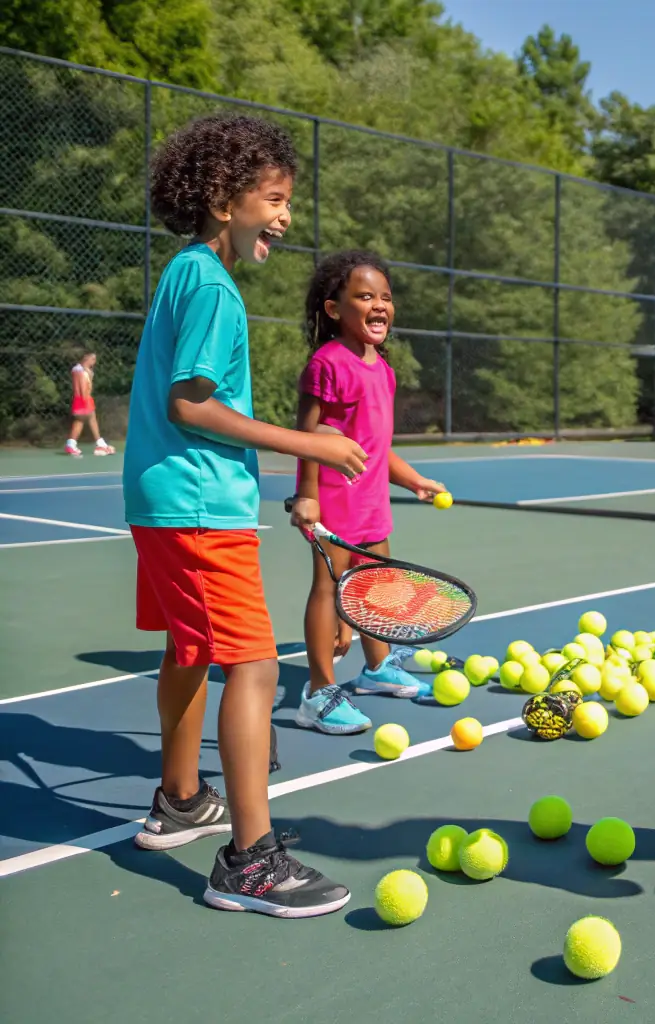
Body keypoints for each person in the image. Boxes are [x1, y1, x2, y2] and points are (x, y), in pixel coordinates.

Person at [123, 112, 367, 918]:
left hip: (164, 501)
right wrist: (310, 445)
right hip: (197, 505)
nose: (286, 215)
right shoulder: (214, 288)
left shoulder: (184, 272)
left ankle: (183, 799)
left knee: (189, 650)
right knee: (255, 667)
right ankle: (249, 862)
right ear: (225, 200)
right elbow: (192, 404)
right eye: (274, 197)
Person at [289, 250, 448, 735]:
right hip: (334, 502)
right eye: (365, 296)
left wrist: (413, 478)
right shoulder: (327, 363)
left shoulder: (383, 368)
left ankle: (376, 670)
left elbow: (377, 448)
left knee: (377, 587)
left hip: (373, 501)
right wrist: (307, 496)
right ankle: (318, 693)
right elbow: (306, 437)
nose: (379, 305)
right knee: (328, 590)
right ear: (335, 309)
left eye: (385, 297)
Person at [65, 352, 114, 457]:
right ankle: (100, 444)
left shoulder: (77, 369)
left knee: (81, 421)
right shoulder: (83, 372)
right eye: (93, 359)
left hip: (79, 400)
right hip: (84, 400)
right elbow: (84, 389)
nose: (94, 362)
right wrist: (86, 400)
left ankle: (71, 444)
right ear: (86, 358)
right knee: (90, 419)